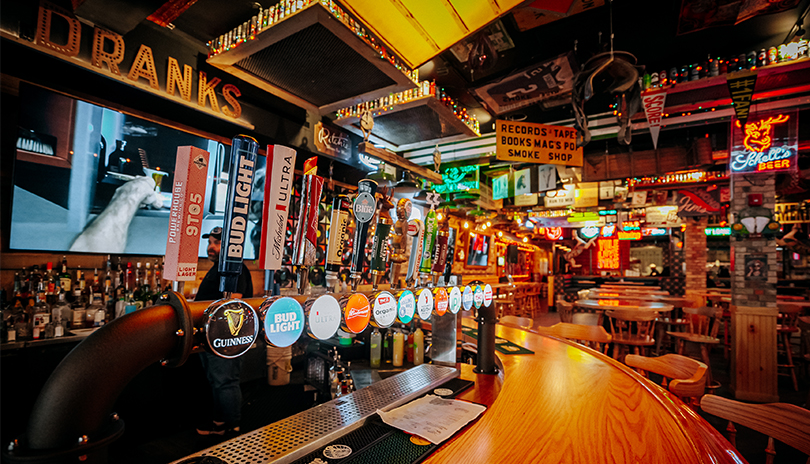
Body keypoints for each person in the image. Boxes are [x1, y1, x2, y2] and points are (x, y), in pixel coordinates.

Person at [195, 226, 253, 437]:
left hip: (226, 337)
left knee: (225, 382)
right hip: (212, 337)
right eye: (210, 242)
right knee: (217, 382)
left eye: (217, 243)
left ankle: (233, 431)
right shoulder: (218, 268)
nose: (211, 247)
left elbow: (234, 304)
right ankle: (219, 424)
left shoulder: (234, 267)